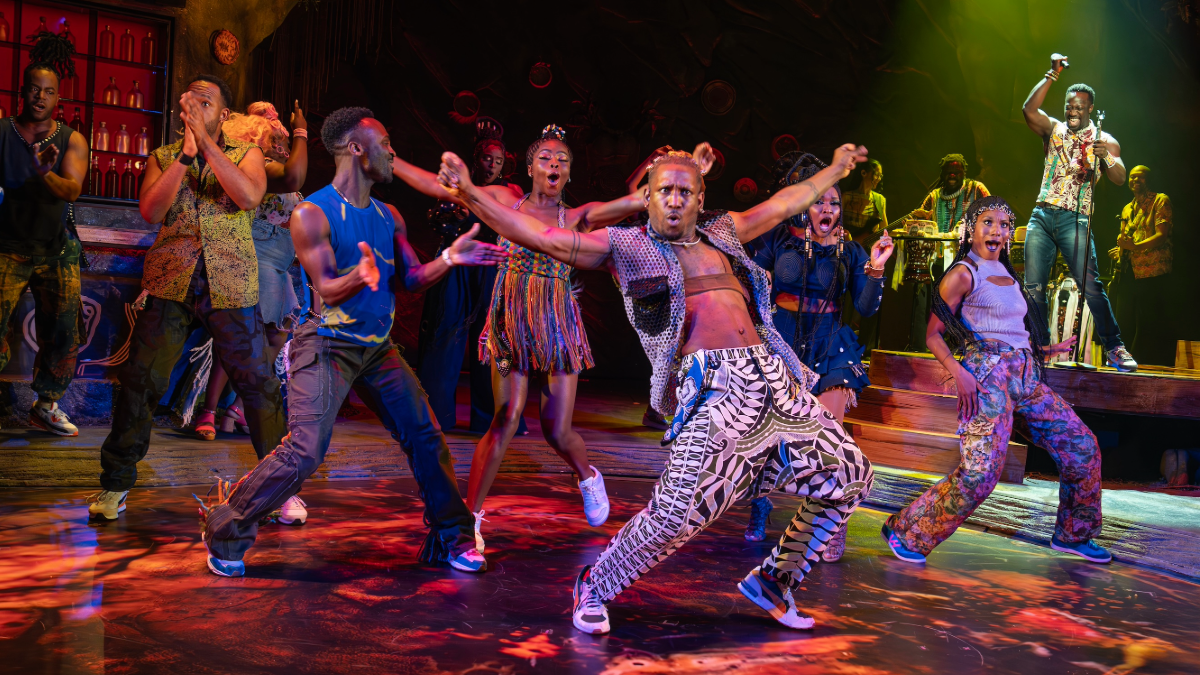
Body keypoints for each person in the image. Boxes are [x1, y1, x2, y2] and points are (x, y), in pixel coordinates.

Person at [438, 143, 875, 634]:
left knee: (851, 474)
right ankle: (594, 585)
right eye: (663, 190)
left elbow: (784, 203)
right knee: (674, 514)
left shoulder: (722, 231)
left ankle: (776, 581)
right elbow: (542, 236)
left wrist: (835, 169)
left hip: (773, 380)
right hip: (715, 390)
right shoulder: (627, 246)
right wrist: (469, 192)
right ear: (647, 197)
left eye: (684, 192)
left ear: (700, 199)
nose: (673, 199)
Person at [198, 107, 506, 577]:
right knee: (305, 451)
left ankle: (454, 538)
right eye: (386, 145)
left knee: (426, 436)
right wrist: (359, 276)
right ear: (357, 148)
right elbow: (325, 285)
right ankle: (225, 530)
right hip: (326, 343)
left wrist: (449, 258)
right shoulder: (312, 213)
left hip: (377, 348)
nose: (393, 154)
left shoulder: (389, 215)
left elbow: (411, 278)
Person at [392, 126, 681, 554]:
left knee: (556, 430)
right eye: (546, 157)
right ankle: (470, 517)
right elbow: (446, 188)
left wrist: (668, 171)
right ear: (529, 168)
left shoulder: (579, 216)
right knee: (505, 417)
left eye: (562, 160)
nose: (554, 164)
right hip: (510, 322)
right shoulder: (505, 199)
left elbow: (639, 200)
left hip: (558, 327)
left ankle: (588, 475)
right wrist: (391, 160)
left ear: (569, 174)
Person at [88, 75, 286, 520]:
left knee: (258, 383)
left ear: (225, 114)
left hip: (230, 281)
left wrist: (207, 146)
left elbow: (248, 196)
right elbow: (151, 211)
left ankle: (278, 489)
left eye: (206, 101)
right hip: (171, 279)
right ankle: (115, 484)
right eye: (190, 101)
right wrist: (185, 155)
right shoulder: (163, 156)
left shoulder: (246, 153)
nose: (195, 108)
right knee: (141, 381)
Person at [881, 196, 1110, 566]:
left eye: (1004, 225)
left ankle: (1074, 534)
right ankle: (907, 531)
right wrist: (959, 373)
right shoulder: (963, 273)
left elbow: (1010, 329)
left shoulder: (1006, 272)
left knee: (1082, 446)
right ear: (971, 229)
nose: (997, 230)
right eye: (987, 222)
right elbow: (933, 335)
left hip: (1025, 375)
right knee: (981, 473)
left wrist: (1044, 350)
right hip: (987, 377)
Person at [742, 152, 894, 565]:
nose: (827, 209)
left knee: (829, 438)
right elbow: (752, 285)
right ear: (804, 205)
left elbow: (865, 307)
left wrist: (876, 268)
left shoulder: (852, 251)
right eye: (819, 201)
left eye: (835, 203)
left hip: (830, 344)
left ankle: (830, 523)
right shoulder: (778, 239)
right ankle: (760, 501)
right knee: (764, 435)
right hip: (781, 340)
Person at [184, 101, 309, 525]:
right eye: (270, 127)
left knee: (268, 343)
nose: (277, 130)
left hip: (280, 264)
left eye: (280, 130)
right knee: (242, 342)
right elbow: (290, 179)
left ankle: (235, 410)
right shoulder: (255, 166)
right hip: (255, 260)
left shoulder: (275, 167)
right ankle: (211, 410)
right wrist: (300, 132)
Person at [1021, 56, 1136, 371]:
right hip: (1042, 215)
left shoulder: (1104, 140)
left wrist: (1105, 158)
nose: (1072, 111)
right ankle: (1039, 348)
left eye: (1079, 107)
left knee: (1090, 286)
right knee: (1033, 288)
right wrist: (1052, 74)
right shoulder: (1054, 129)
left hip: (1075, 219)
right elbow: (1029, 109)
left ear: (1090, 109)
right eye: (1069, 106)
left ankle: (1115, 347)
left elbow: (1120, 177)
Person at [415, 117, 526, 435]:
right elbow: (438, 221)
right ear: (476, 159)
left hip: (493, 269)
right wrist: (451, 210)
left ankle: (495, 417)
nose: (492, 165)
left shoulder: (511, 190)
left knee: (495, 343)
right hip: (457, 268)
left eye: (498, 161)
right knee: (443, 339)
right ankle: (435, 416)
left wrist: (466, 197)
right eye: (487, 158)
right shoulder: (456, 187)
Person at [0, 46, 89, 437]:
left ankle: (47, 405)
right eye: (34, 89)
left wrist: (43, 173)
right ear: (22, 91)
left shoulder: (71, 139)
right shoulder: (2, 132)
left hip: (57, 248)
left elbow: (71, 190)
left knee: (64, 331)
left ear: (58, 97)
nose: (40, 96)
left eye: (48, 91)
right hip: (5, 245)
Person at [894, 154, 989, 352]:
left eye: (957, 172)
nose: (952, 175)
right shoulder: (934, 196)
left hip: (968, 261)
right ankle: (928, 346)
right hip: (937, 261)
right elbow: (922, 219)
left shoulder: (976, 189)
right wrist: (918, 220)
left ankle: (963, 347)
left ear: (964, 173)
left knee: (963, 304)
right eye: (948, 172)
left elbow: (991, 212)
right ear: (942, 174)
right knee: (936, 304)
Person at [1109, 166, 1173, 366]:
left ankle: (1144, 365)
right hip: (1129, 271)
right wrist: (1121, 249)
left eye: (1140, 177)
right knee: (1123, 320)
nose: (1135, 180)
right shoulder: (1127, 208)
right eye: (1132, 177)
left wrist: (1134, 247)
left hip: (1152, 271)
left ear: (1148, 180)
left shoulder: (1160, 200)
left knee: (1147, 324)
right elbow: (1129, 238)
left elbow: (1161, 235)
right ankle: (1122, 361)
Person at [840, 158, 887, 245]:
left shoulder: (880, 199)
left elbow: (885, 230)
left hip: (869, 251)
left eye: (880, 176)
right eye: (877, 174)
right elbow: (835, 225)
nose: (879, 179)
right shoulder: (846, 197)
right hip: (848, 249)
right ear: (863, 173)